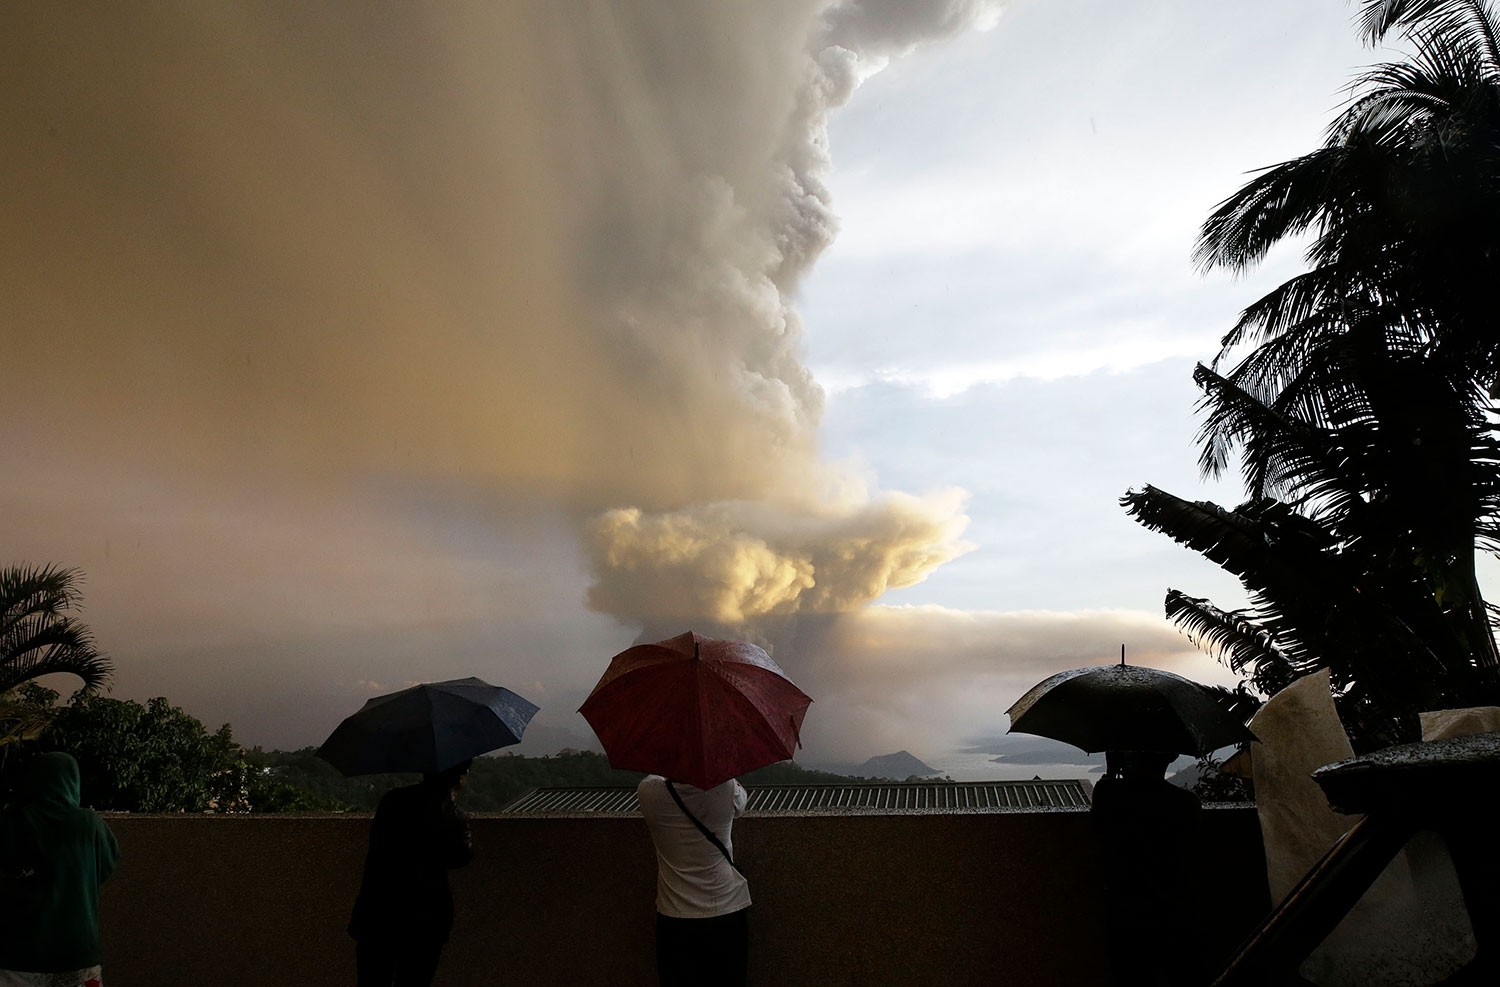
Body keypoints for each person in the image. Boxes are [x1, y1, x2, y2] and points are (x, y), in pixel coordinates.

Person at [348, 759, 474, 987]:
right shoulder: (453, 817)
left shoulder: (392, 800)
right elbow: (460, 858)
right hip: (424, 921)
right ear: (459, 776)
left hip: (377, 913)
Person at [0, 752, 121, 987]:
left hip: (16, 955)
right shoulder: (90, 824)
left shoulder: (11, 822)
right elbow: (106, 866)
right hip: (78, 953)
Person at [1090, 750, 1203, 987]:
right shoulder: (1186, 803)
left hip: (1125, 910)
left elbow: (1100, 823)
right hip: (1175, 910)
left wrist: (1111, 771)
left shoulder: (1110, 795)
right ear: (1170, 757)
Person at [636, 774, 751, 987]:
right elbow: (741, 805)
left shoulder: (648, 790)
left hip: (674, 914)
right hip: (726, 910)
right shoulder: (725, 785)